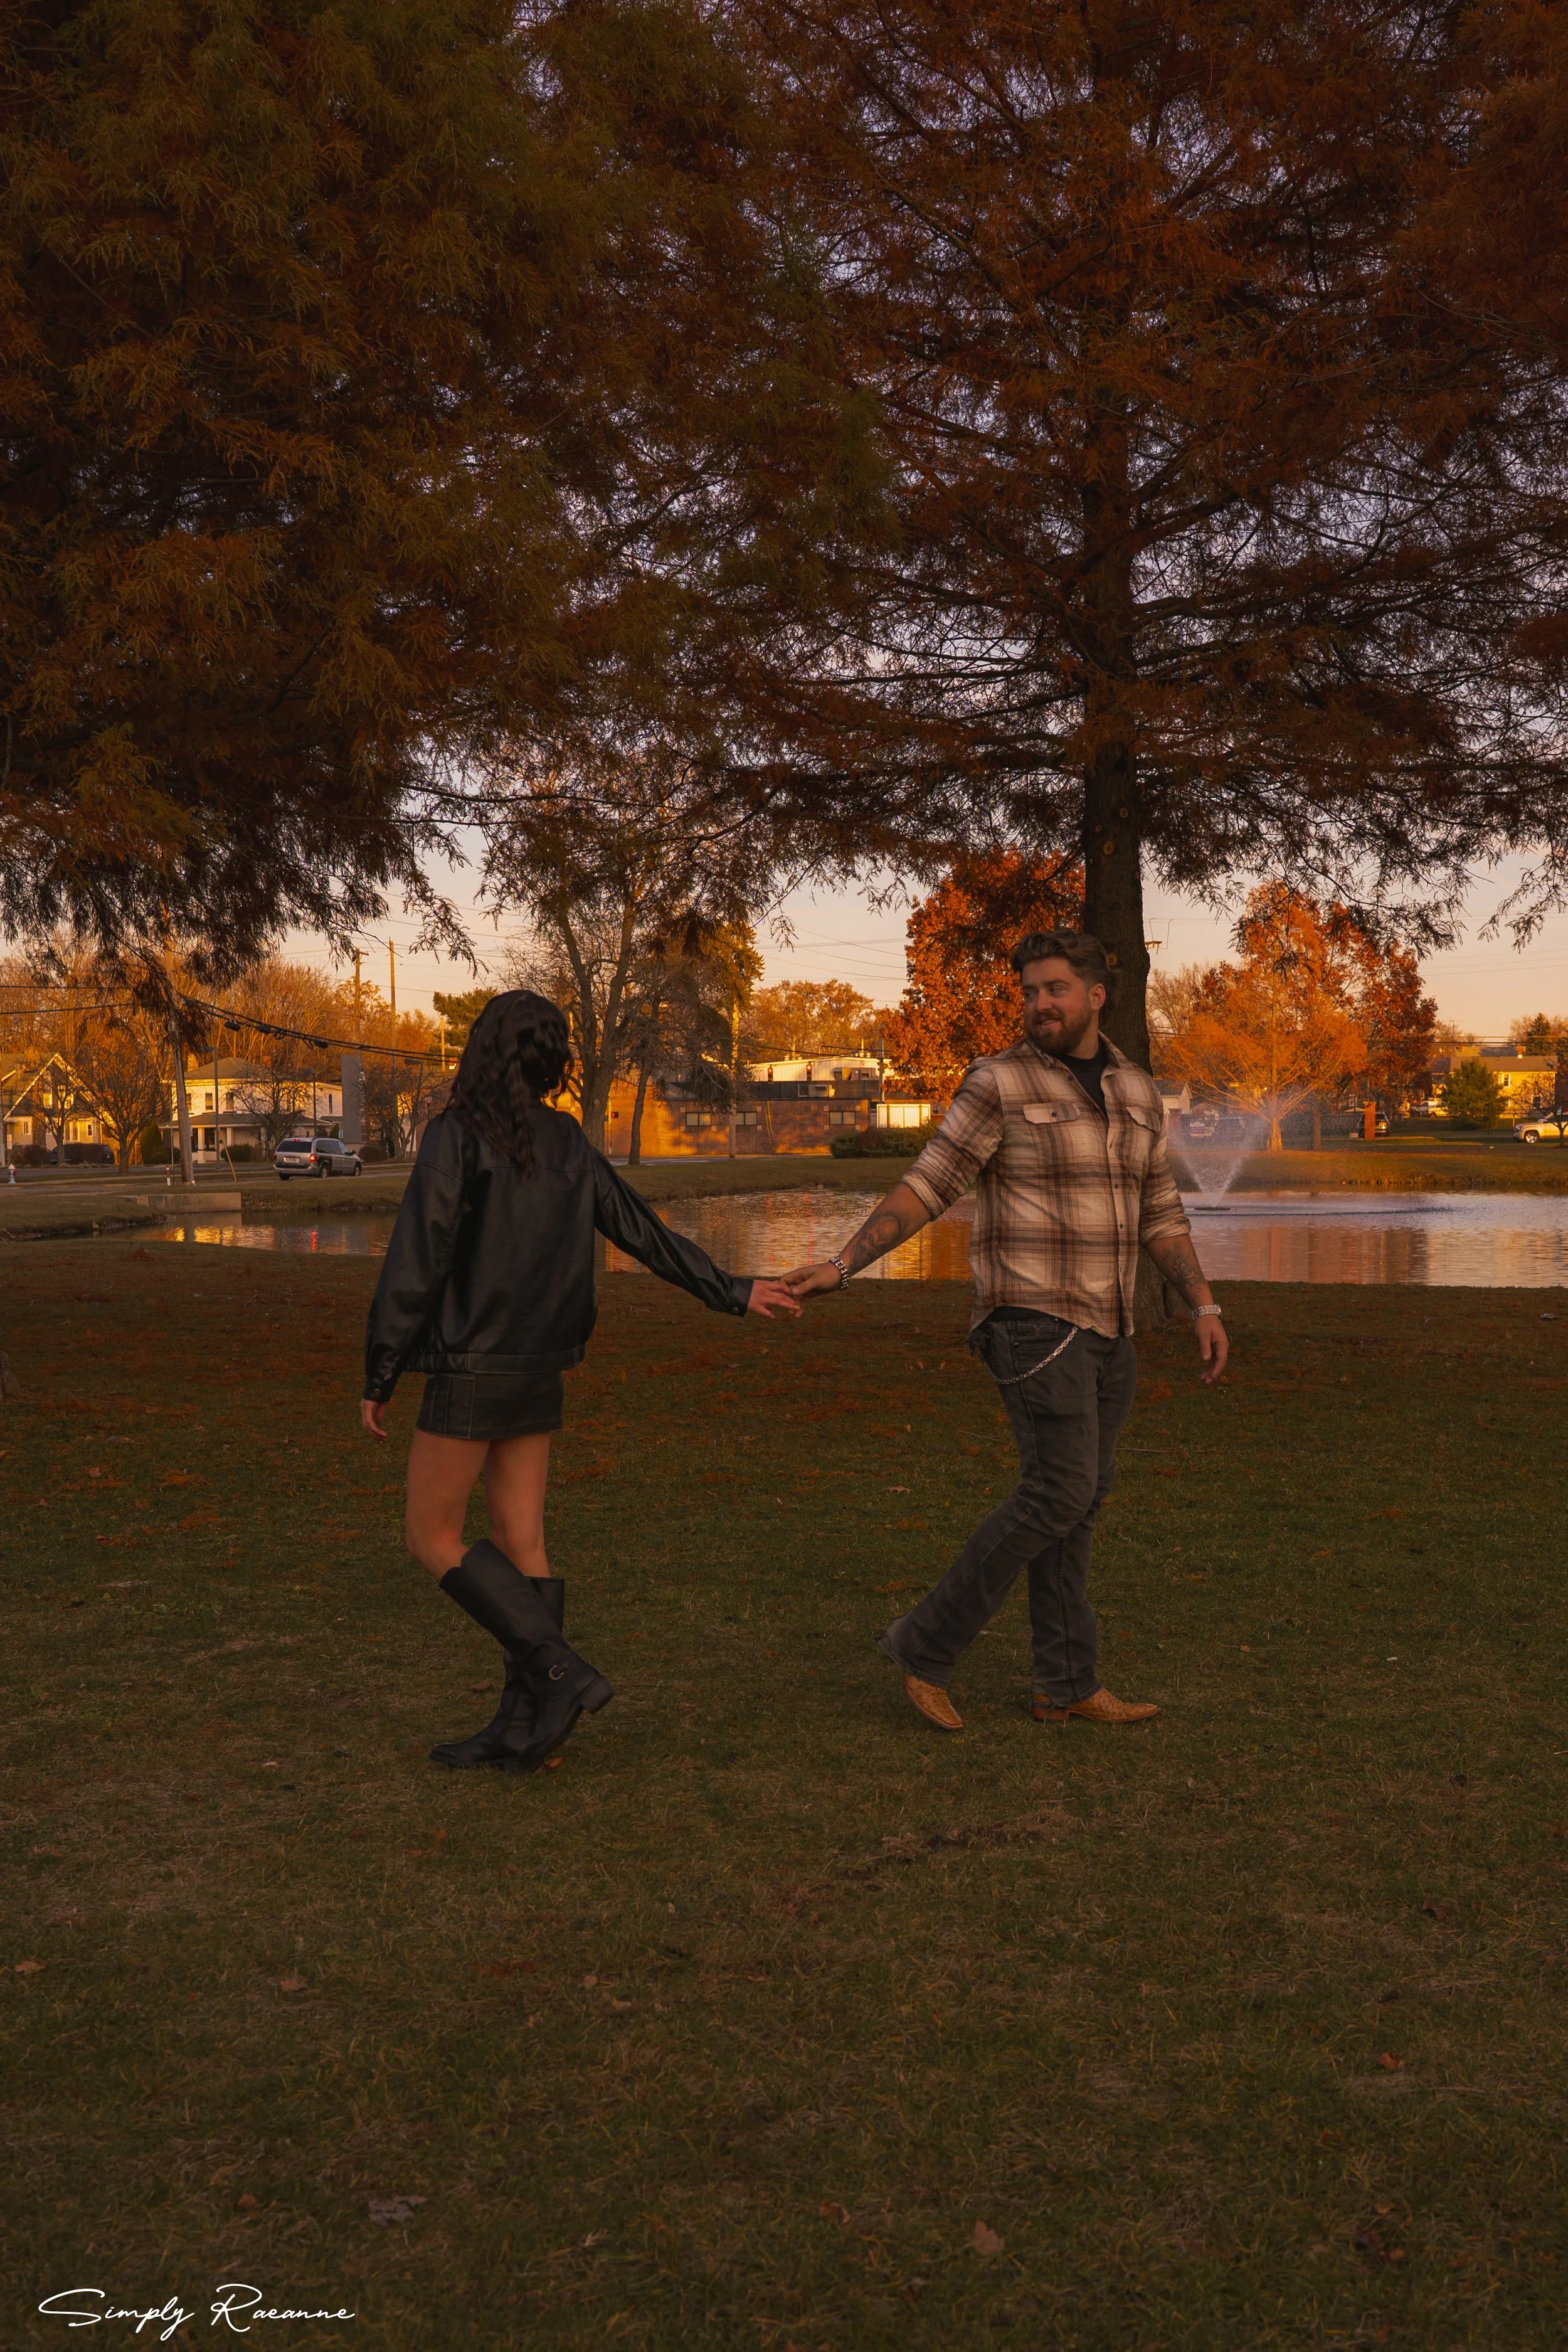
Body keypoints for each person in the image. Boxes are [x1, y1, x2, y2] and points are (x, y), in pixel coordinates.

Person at [785, 929, 1226, 1733]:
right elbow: (930, 1183)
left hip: (1110, 1325)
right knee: (1057, 1490)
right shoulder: (997, 1082)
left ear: (1097, 996)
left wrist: (1201, 1304)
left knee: (1079, 1501)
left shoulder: (1134, 1088)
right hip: (1031, 1322)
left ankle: (1065, 1683)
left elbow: (1159, 1210)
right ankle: (924, 1644)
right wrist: (842, 1266)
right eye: (1028, 991)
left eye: (1053, 989)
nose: (1038, 1005)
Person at [361, 989, 800, 1774]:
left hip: (471, 1368)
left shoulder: (457, 1133)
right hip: (537, 1368)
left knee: (431, 1538)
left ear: (484, 1050)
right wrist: (731, 1289)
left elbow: (416, 1258)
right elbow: (642, 1231)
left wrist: (381, 1367)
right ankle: (529, 1726)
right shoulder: (566, 1139)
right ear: (549, 1057)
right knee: (520, 1540)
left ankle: (558, 1677)